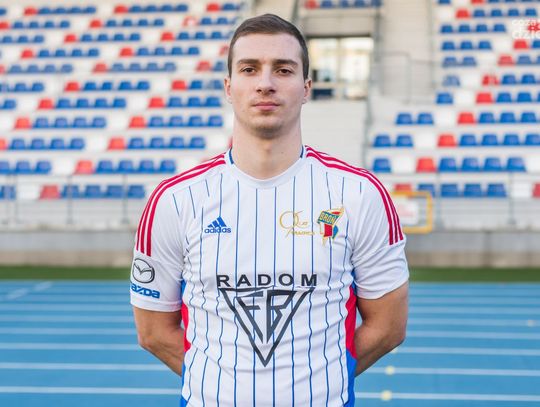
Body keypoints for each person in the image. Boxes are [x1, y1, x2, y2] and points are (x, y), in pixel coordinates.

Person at [131, 13, 408, 407]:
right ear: (229, 87)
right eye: (249, 69)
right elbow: (153, 332)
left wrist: (322, 380)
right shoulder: (175, 200)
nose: (265, 83)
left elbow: (389, 326)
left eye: (283, 69)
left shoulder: (359, 195)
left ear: (306, 87)